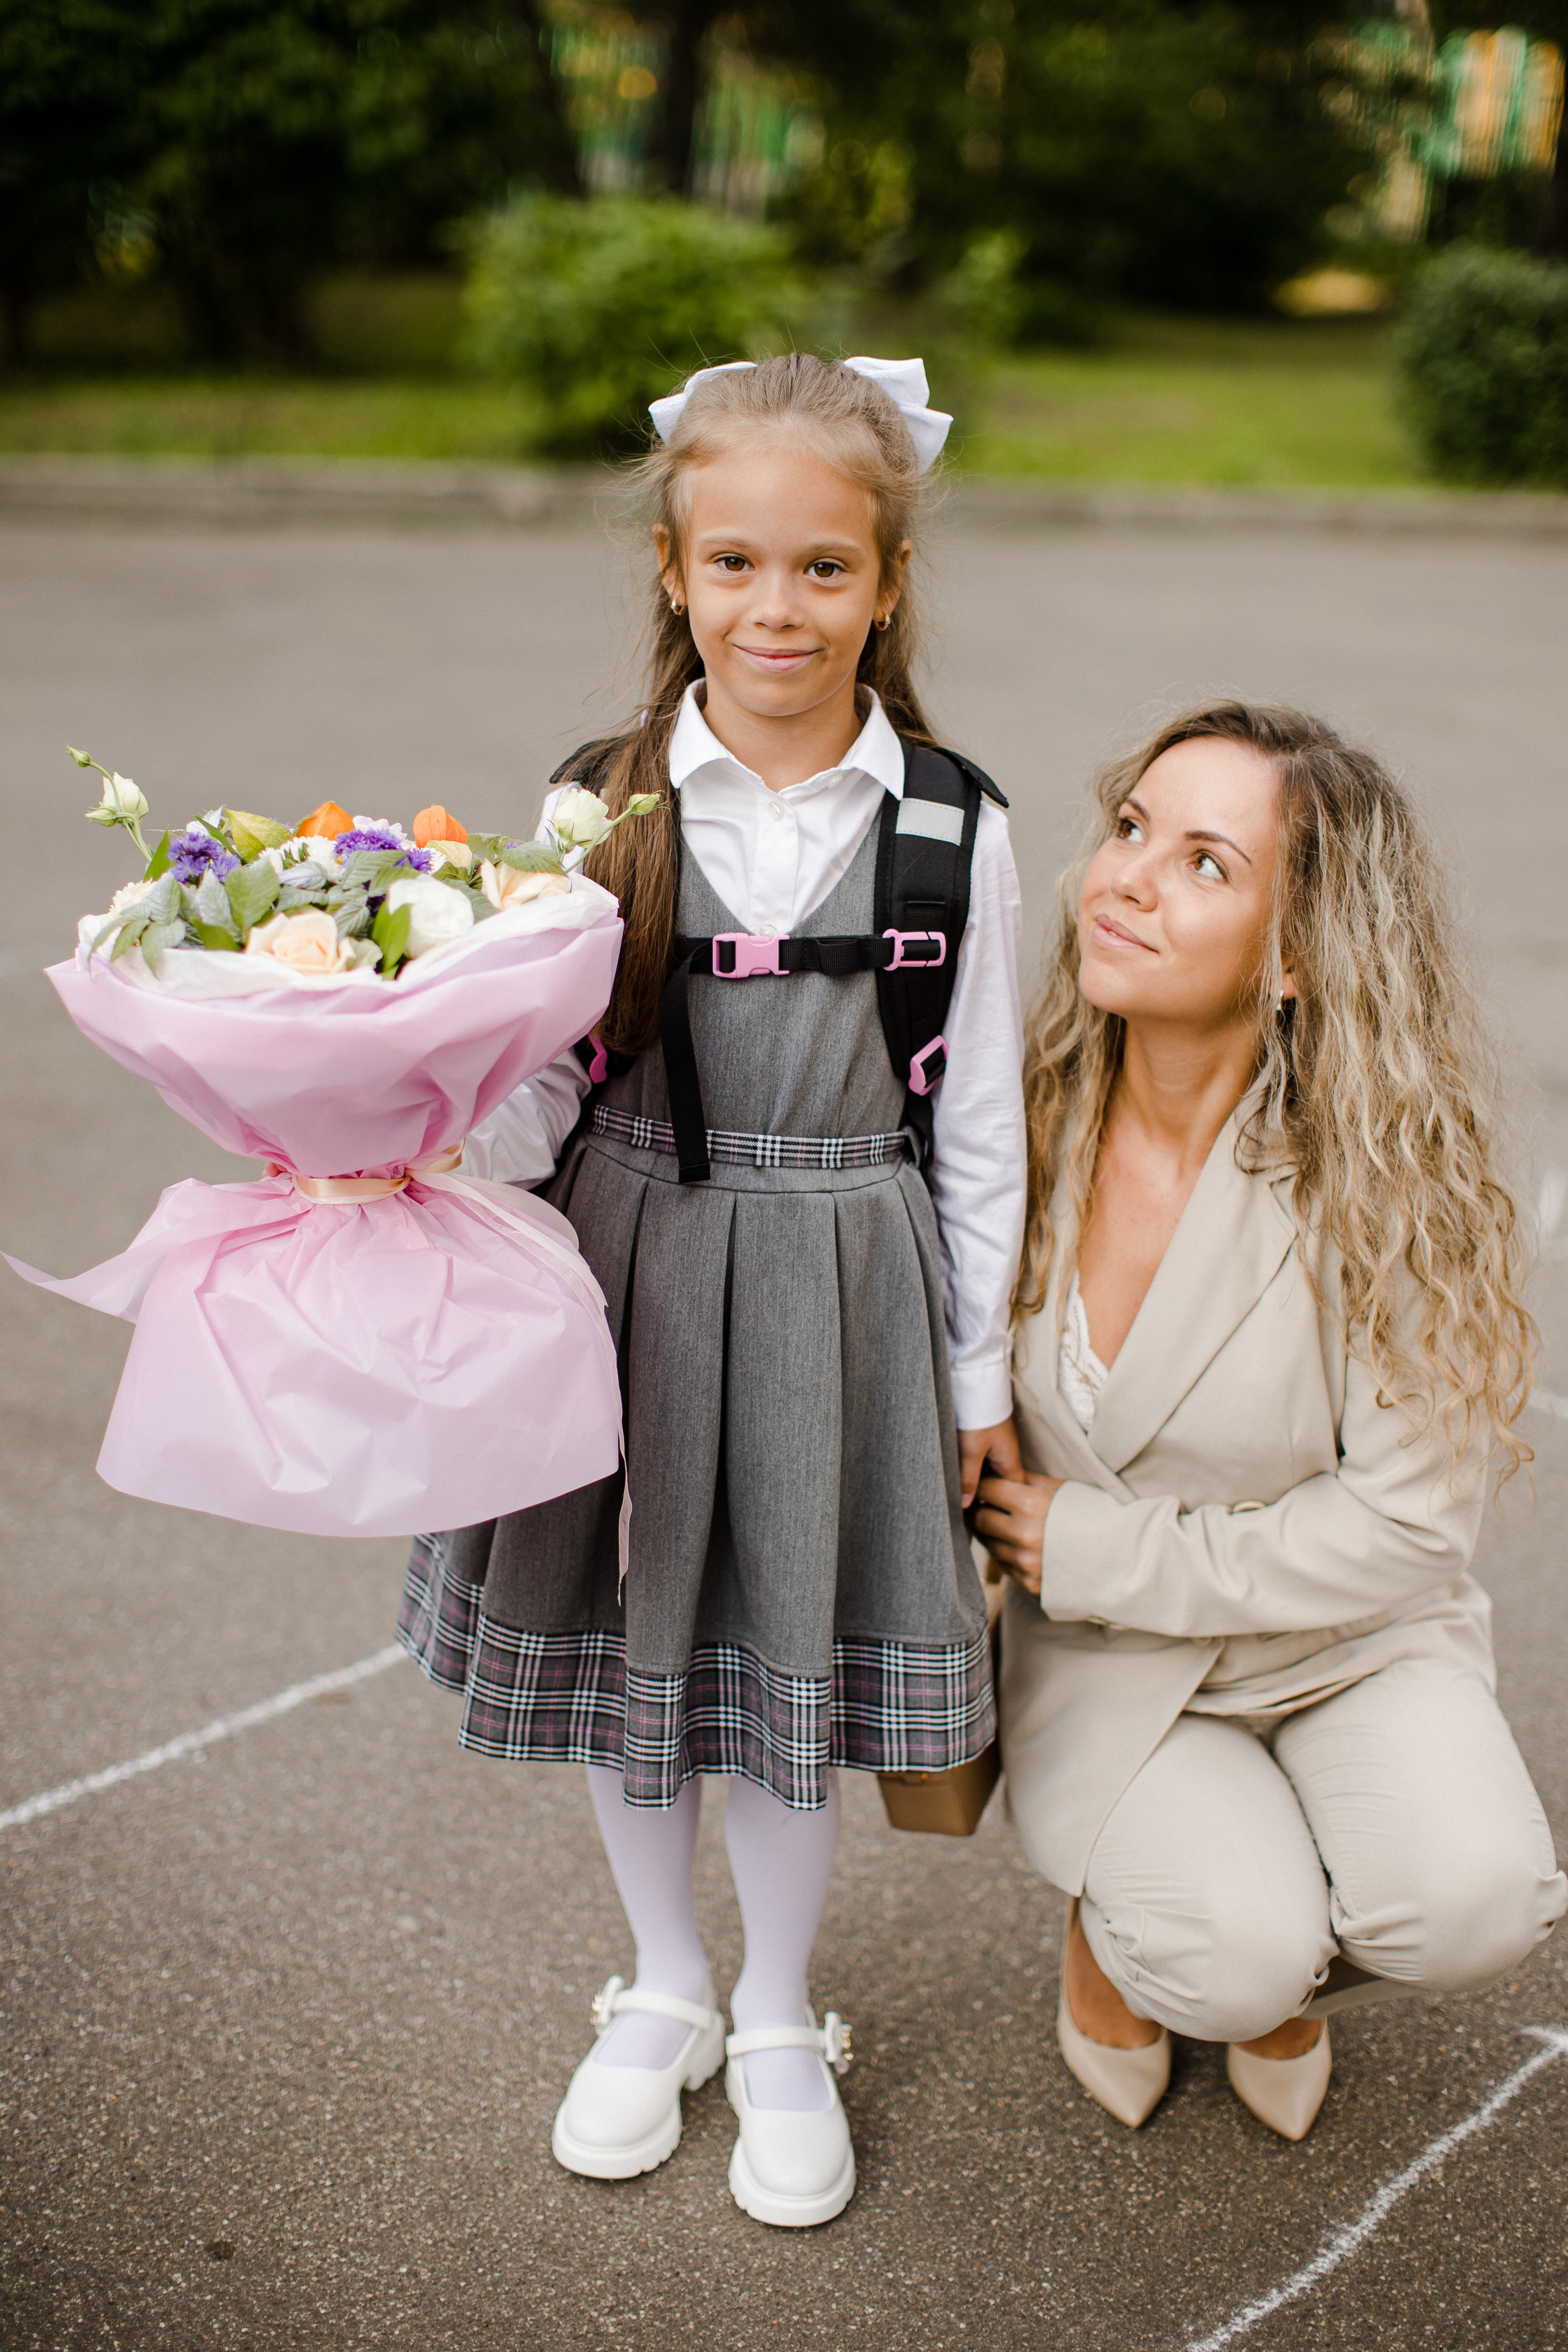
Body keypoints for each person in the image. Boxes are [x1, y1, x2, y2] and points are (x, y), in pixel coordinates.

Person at [398, 353, 1026, 2223]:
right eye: (735, 561)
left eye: (824, 569)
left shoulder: (955, 828)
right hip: (637, 1262)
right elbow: (529, 1086)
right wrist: (396, 1142)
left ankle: (772, 2013)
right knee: (638, 1659)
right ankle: (663, 1981)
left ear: (888, 584)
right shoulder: (592, 804)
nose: (779, 606)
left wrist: (976, 1373)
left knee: (784, 1670)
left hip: (844, 1277)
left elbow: (976, 1125)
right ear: (674, 572)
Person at [976, 699, 1566, 2141]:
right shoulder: (1008, 1120)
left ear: (1296, 954)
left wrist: (1098, 1547)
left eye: (1201, 865)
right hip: (1112, 1666)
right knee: (1233, 1958)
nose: (1122, 877)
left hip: (1343, 1640)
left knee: (1476, 1905)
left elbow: (1403, 1528)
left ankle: (1275, 1933)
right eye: (1128, 831)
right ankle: (1143, 1942)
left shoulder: (1385, 1171)